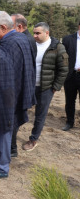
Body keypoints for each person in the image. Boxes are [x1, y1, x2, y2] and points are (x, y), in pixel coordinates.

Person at [0, 11, 35, 179]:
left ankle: (1, 168)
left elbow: (5, 74)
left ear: (3, 27)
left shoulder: (9, 44)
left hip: (6, 98)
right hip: (9, 95)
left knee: (3, 129)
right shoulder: (19, 39)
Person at [21, 22, 68, 151]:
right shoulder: (30, 44)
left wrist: (55, 87)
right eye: (34, 33)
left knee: (40, 115)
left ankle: (33, 139)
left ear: (47, 33)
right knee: (20, 109)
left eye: (38, 33)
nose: (34, 35)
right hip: (28, 85)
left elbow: (64, 69)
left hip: (45, 88)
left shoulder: (58, 47)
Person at [10, 13, 37, 157]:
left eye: (10, 25)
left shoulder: (26, 40)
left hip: (19, 87)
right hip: (19, 86)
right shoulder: (24, 38)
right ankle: (11, 147)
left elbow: (26, 67)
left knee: (14, 119)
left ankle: (12, 149)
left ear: (19, 27)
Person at [62, 20, 80, 131]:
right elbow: (63, 57)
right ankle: (69, 122)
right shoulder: (68, 39)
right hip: (71, 75)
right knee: (69, 101)